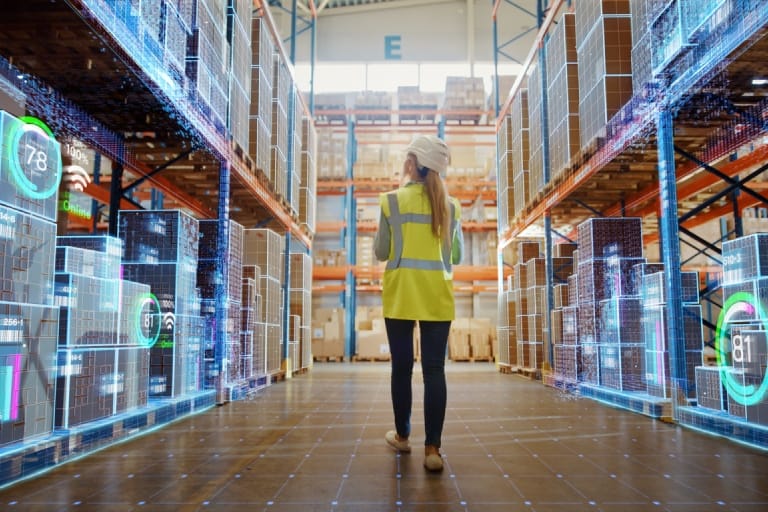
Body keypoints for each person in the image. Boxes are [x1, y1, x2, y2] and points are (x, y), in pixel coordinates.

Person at [373, 134, 463, 472]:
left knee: (401, 369)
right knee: (435, 371)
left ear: (412, 163)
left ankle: (402, 435)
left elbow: (382, 252)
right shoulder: (451, 207)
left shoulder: (391, 202)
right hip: (437, 297)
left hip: (400, 297)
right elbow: (456, 255)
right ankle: (433, 451)